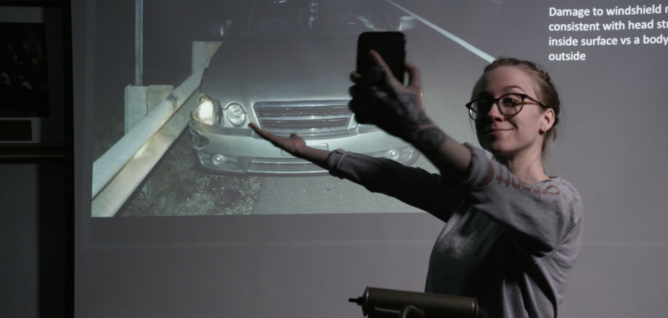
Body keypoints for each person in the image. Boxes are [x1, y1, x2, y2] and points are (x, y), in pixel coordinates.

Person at [249, 51, 583, 318]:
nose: (493, 113)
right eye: (483, 103)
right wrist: (310, 152)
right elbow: (393, 178)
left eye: (511, 100)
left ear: (546, 118)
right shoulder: (469, 205)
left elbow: (483, 181)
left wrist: (416, 126)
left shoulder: (558, 203)